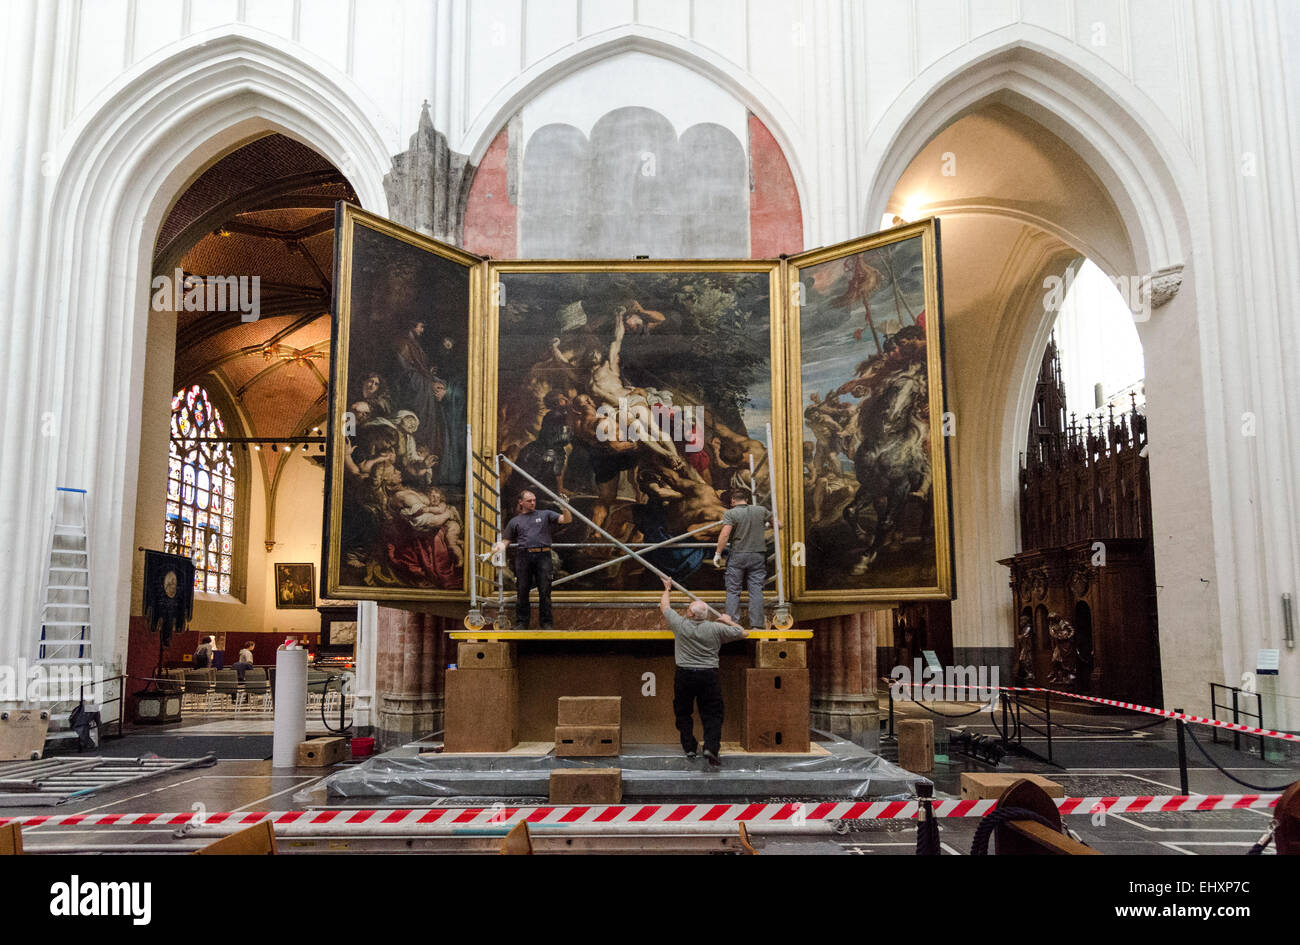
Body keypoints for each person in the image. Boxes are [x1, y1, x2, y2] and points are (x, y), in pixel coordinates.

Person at [658, 577, 746, 766]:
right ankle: (711, 748)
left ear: (690, 614)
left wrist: (667, 589)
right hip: (709, 676)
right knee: (713, 713)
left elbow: (664, 606)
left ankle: (689, 747)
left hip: (685, 674)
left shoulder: (679, 625)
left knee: (683, 712)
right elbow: (743, 632)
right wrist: (727, 621)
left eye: (688, 609)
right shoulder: (716, 628)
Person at [492, 490, 571, 629]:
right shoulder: (515, 521)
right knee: (522, 590)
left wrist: (566, 507)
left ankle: (546, 623)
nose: (533, 503)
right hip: (524, 556)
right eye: (529, 501)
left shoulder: (545, 514)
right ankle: (522, 623)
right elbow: (506, 540)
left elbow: (566, 520)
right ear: (521, 502)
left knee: (545, 591)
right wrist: (499, 547)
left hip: (543, 555)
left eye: (534, 500)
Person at [713, 489, 772, 629]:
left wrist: (717, 553)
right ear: (747, 499)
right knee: (756, 590)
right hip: (757, 555)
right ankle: (757, 625)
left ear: (733, 500)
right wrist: (769, 525)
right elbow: (779, 524)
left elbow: (725, 534)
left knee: (733, 591)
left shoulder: (731, 513)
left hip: (738, 555)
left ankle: (732, 623)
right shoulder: (761, 510)